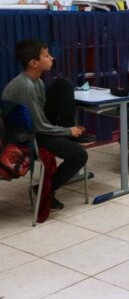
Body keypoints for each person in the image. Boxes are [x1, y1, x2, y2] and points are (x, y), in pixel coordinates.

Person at [2, 40, 89, 210]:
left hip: (36, 127)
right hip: (26, 136)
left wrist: (65, 130)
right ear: (34, 63)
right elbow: (39, 127)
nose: (52, 58)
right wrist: (66, 131)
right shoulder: (25, 86)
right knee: (79, 155)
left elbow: (41, 117)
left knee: (63, 85)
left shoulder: (38, 82)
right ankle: (44, 189)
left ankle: (70, 135)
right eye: (47, 55)